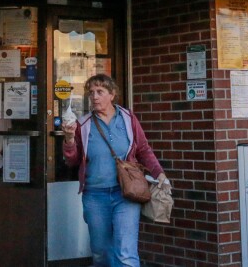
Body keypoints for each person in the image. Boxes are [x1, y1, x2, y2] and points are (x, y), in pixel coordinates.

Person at [62, 73, 169, 267]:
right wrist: (69, 140)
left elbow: (144, 149)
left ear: (112, 95)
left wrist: (159, 173)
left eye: (100, 92)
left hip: (126, 194)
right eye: (91, 92)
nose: (94, 96)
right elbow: (73, 161)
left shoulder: (128, 119)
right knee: (101, 253)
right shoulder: (83, 124)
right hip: (95, 195)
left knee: (126, 253)